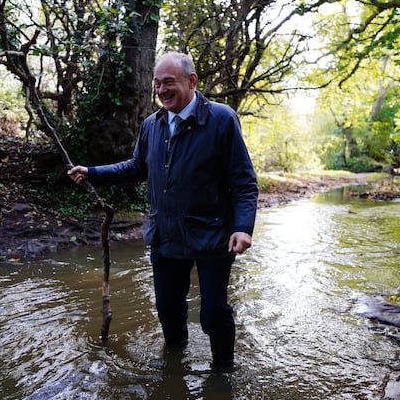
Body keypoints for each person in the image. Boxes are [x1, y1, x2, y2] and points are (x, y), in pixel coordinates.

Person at [68, 51, 258, 372]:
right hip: (165, 235)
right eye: (157, 84)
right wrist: (93, 172)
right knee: (168, 311)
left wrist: (243, 227)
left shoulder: (222, 119)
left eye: (168, 82)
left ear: (191, 81)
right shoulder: (151, 125)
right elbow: (135, 167)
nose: (161, 90)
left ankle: (223, 371)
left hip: (212, 234)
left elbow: (243, 181)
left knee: (212, 312)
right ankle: (176, 365)